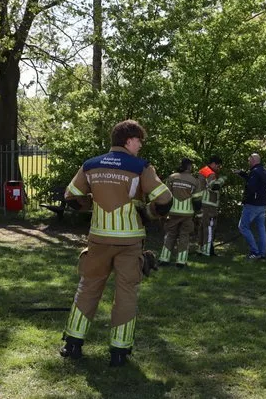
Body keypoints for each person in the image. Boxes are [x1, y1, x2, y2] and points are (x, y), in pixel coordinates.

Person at [60, 120, 173, 366]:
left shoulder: (90, 165)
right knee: (126, 294)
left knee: (88, 288)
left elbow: (71, 196)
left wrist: (91, 204)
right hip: (129, 242)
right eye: (139, 140)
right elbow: (164, 199)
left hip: (98, 240)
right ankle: (119, 352)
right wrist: (152, 212)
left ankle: (73, 343)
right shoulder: (140, 166)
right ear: (129, 140)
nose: (140, 145)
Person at [159, 158, 204, 268]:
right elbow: (197, 200)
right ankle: (181, 262)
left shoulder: (172, 177)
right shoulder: (194, 181)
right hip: (187, 214)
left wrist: (163, 212)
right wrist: (199, 214)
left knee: (170, 235)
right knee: (184, 236)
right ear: (189, 167)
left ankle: (164, 259)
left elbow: (166, 196)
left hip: (173, 212)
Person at [235, 153, 266, 259]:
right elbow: (254, 180)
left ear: (254, 160)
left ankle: (254, 251)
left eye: (249, 160)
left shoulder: (254, 172)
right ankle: (262, 253)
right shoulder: (264, 171)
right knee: (261, 228)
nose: (248, 162)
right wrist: (242, 173)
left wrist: (245, 199)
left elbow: (251, 187)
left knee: (243, 227)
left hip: (252, 204)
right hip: (262, 204)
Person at [197, 156, 226, 257]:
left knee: (202, 227)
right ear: (213, 163)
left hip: (201, 203)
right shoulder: (211, 173)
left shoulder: (202, 171)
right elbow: (214, 186)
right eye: (218, 165)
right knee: (209, 228)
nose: (219, 167)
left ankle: (200, 249)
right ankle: (208, 251)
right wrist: (222, 179)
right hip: (210, 204)